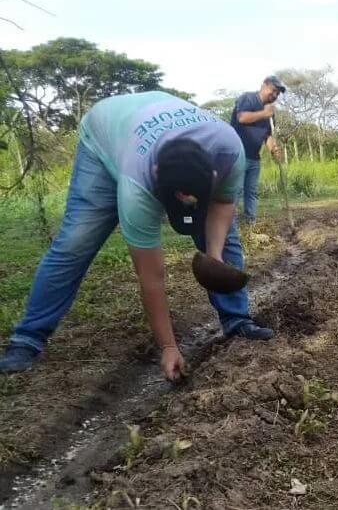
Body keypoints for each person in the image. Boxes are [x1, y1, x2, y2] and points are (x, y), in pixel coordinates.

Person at [0, 91, 273, 380]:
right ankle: (27, 339)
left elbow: (222, 204)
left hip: (154, 125)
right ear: (156, 176)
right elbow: (151, 275)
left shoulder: (231, 151)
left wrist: (215, 257)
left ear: (214, 177)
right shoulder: (137, 183)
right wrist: (168, 346)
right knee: (75, 242)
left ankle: (237, 319)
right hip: (106, 133)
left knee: (226, 240)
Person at [230, 76, 285, 222]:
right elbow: (242, 118)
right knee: (236, 191)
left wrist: (274, 150)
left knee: (251, 192)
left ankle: (250, 222)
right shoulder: (248, 98)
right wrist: (264, 114)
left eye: (277, 94)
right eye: (273, 91)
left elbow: (268, 136)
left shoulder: (270, 113)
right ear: (264, 85)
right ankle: (230, 224)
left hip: (254, 158)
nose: (274, 95)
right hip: (237, 155)